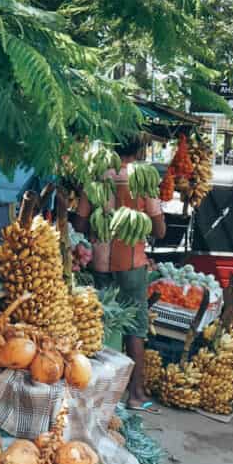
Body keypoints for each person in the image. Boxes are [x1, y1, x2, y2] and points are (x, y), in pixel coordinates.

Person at [73, 136, 166, 411]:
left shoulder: (95, 181)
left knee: (96, 328)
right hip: (132, 265)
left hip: (98, 265)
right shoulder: (142, 181)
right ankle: (135, 394)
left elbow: (79, 222)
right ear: (137, 150)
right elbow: (160, 230)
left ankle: (94, 395)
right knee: (134, 330)